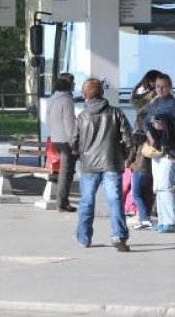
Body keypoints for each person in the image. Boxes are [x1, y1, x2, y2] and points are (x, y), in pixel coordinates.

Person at [72, 78, 133, 252]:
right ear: (102, 93)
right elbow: (128, 139)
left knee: (86, 201)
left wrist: (79, 153)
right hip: (112, 162)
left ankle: (84, 238)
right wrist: (126, 157)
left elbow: (74, 142)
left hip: (89, 165)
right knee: (114, 200)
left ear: (85, 96)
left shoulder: (82, 116)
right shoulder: (116, 113)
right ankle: (119, 236)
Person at [143, 73, 175, 233]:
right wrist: (150, 136)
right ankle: (162, 220)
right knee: (158, 186)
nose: (160, 89)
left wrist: (164, 125)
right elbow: (145, 122)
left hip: (170, 150)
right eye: (158, 86)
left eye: (164, 86)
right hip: (157, 149)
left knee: (166, 185)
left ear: (170, 87)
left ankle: (172, 221)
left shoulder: (174, 105)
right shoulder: (154, 103)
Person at [126, 69, 160, 229]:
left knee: (137, 190)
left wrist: (140, 84)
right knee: (147, 188)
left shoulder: (148, 101)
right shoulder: (158, 99)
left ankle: (144, 217)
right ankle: (143, 216)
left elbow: (133, 99)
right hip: (153, 149)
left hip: (142, 149)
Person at [46, 72, 77, 212]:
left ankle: (63, 201)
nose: (74, 85)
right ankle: (62, 203)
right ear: (68, 85)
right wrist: (74, 142)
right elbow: (70, 123)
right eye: (73, 83)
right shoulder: (67, 100)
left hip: (56, 139)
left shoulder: (51, 99)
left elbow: (47, 121)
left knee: (66, 171)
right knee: (66, 172)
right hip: (66, 140)